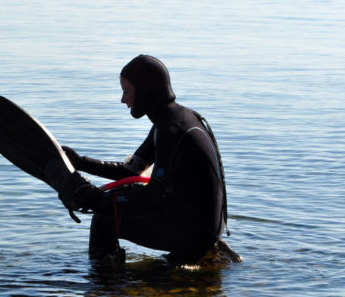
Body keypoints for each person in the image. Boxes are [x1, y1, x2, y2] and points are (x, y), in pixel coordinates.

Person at [56, 55, 229, 265]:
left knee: (105, 219)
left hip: (195, 234)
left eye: (126, 91)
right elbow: (130, 172)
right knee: (109, 206)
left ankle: (105, 286)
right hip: (204, 227)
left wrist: (98, 199)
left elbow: (155, 195)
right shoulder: (174, 119)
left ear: (145, 90)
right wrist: (80, 162)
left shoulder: (171, 130)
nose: (123, 99)